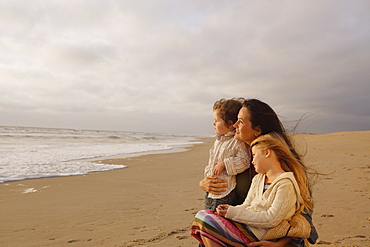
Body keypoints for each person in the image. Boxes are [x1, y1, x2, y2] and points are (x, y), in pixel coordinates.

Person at [197, 99, 318, 247]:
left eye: (240, 122)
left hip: (272, 238)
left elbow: (303, 214)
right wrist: (203, 184)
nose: (235, 125)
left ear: (258, 130)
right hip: (243, 225)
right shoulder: (236, 155)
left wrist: (279, 244)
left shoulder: (279, 165)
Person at [203, 98, 250, 211]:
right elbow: (212, 161)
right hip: (210, 191)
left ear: (230, 124)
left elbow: (244, 161)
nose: (213, 124)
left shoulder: (237, 141)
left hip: (225, 192)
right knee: (208, 216)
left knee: (218, 220)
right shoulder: (219, 141)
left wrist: (225, 164)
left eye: (217, 121)